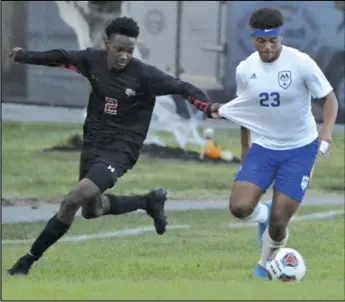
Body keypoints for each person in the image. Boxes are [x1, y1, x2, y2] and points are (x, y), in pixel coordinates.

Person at [6, 16, 219, 276]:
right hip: (93, 145)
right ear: (107, 44)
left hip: (120, 151)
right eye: (119, 49)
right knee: (92, 210)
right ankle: (148, 201)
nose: (124, 56)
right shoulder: (92, 61)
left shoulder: (144, 76)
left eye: (129, 51)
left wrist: (207, 107)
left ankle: (26, 262)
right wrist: (24, 56)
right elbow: (62, 56)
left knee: (72, 200)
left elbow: (183, 87)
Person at [213, 7, 338, 279]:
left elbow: (330, 100)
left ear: (281, 36)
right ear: (253, 37)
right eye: (261, 41)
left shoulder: (301, 62)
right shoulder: (245, 69)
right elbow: (245, 109)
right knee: (239, 208)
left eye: (273, 41)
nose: (268, 47)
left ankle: (263, 264)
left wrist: (325, 135)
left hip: (301, 149)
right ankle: (263, 213)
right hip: (264, 147)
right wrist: (246, 147)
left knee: (280, 222)